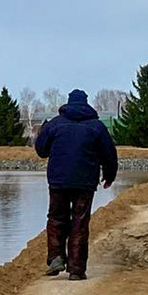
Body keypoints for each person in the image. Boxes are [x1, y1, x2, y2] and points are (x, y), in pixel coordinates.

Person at [34, 89, 118, 281]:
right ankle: (76, 270)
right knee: (80, 223)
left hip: (58, 181)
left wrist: (43, 133)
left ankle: (55, 257)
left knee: (56, 218)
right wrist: (109, 176)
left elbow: (41, 150)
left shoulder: (55, 124)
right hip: (85, 182)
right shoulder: (96, 126)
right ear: (86, 104)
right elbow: (109, 154)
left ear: (68, 103)